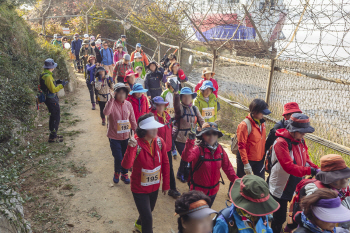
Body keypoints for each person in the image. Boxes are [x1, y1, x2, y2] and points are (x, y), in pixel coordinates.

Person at [268, 113, 319, 233]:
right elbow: (289, 167)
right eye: (301, 131)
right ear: (292, 129)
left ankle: (287, 228)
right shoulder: (281, 142)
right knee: (279, 217)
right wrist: (310, 171)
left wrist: (317, 168)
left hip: (295, 182)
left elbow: (306, 159)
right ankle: (276, 229)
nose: (303, 134)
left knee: (294, 210)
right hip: (281, 185)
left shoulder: (300, 140)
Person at [121, 113, 170, 233]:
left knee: (148, 211)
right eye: (151, 127)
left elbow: (165, 163)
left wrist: (166, 185)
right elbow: (126, 166)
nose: (155, 130)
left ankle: (138, 224)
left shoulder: (160, 142)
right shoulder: (136, 144)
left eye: (155, 127)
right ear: (143, 130)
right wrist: (130, 148)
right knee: (148, 217)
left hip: (154, 187)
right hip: (139, 189)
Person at [285, 154, 350, 232]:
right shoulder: (313, 190)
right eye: (341, 176)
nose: (346, 178)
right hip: (312, 224)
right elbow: (303, 214)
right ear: (329, 178)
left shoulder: (342, 188)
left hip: (326, 223)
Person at [182, 122, 238, 206]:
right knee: (196, 216)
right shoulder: (198, 149)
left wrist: (239, 183)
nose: (211, 136)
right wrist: (190, 140)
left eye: (214, 133)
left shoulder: (220, 150)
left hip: (213, 192)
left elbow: (229, 169)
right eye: (208, 133)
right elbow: (186, 158)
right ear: (202, 135)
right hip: (197, 193)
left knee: (206, 214)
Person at [213, 175, 280, 233]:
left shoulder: (263, 216)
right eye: (258, 206)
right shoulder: (224, 221)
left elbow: (267, 230)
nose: (261, 210)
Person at [103, 83, 137, 184]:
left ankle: (124, 173)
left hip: (126, 136)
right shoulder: (112, 104)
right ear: (115, 94)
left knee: (126, 156)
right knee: (118, 157)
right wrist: (111, 100)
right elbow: (105, 113)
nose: (121, 95)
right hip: (114, 136)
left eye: (123, 93)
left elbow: (132, 119)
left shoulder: (128, 104)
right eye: (119, 93)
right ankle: (117, 172)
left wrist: (136, 133)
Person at [171, 83, 205, 183]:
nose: (187, 98)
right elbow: (176, 106)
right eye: (184, 96)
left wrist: (207, 128)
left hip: (191, 138)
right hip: (179, 138)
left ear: (191, 97)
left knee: (187, 156)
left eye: (189, 96)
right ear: (181, 98)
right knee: (186, 157)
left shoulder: (194, 109)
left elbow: (201, 120)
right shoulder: (180, 109)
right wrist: (176, 94)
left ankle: (180, 172)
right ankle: (183, 173)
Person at [150, 96, 181, 199]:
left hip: (166, 148)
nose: (161, 107)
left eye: (162, 104)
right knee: (154, 168)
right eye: (158, 105)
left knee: (169, 168)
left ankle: (172, 189)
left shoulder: (167, 116)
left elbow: (170, 133)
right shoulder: (151, 117)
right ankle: (150, 188)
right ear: (154, 106)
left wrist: (172, 148)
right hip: (155, 148)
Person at [235, 99, 270, 179]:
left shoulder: (262, 123)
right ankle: (231, 191)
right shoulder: (244, 125)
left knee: (260, 182)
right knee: (240, 181)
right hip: (247, 159)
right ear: (255, 111)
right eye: (262, 112)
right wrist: (246, 163)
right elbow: (241, 146)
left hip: (259, 159)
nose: (263, 114)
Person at [40, 59, 68, 142]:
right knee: (55, 117)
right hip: (51, 99)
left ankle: (53, 134)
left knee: (53, 116)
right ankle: (52, 137)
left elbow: (48, 85)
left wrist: (56, 82)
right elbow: (53, 90)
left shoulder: (44, 74)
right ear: (51, 67)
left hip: (48, 98)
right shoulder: (48, 76)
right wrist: (61, 86)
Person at [161, 76, 179, 158]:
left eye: (174, 84)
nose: (172, 85)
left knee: (174, 132)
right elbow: (161, 104)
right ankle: (173, 148)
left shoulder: (179, 92)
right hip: (167, 117)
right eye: (171, 84)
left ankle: (174, 146)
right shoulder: (165, 93)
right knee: (169, 132)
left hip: (176, 116)